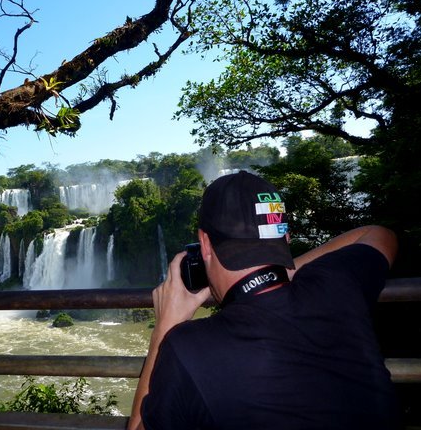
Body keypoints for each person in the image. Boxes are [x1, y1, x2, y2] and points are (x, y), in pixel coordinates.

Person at [128, 170, 400, 430]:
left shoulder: (188, 348)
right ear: (286, 237)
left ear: (205, 244)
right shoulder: (339, 285)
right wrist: (282, 272)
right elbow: (378, 234)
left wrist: (164, 328)